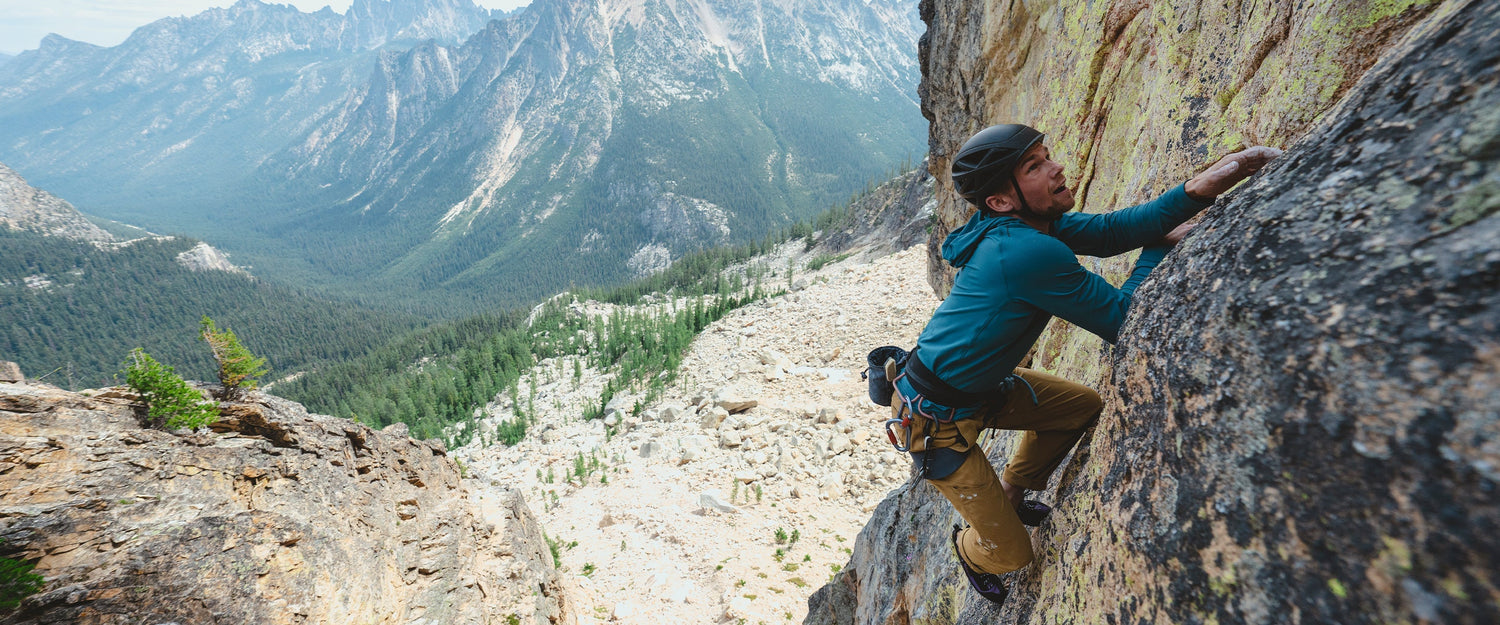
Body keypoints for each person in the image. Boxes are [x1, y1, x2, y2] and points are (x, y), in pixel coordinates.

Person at [891, 124, 1280, 605]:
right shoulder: (1026, 250)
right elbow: (1124, 320)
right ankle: (973, 549)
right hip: (935, 421)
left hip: (973, 388)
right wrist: (1159, 246)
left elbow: (1111, 232)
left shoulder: (1031, 225)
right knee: (1014, 555)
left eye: (1046, 156)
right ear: (1000, 201)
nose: (1056, 168)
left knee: (1079, 407)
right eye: (1033, 167)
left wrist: (1198, 189)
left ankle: (1013, 494)